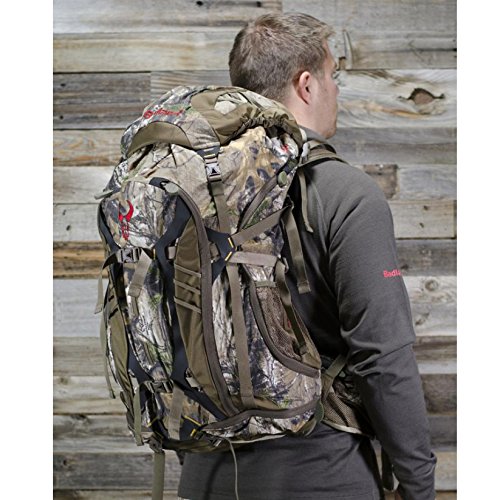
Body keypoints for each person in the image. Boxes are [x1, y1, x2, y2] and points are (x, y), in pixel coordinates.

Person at [177, 12, 437, 500]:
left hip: (203, 477)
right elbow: (383, 360)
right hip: (322, 476)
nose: (336, 90)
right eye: (333, 75)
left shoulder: (187, 193)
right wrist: (419, 484)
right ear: (306, 84)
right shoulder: (345, 193)